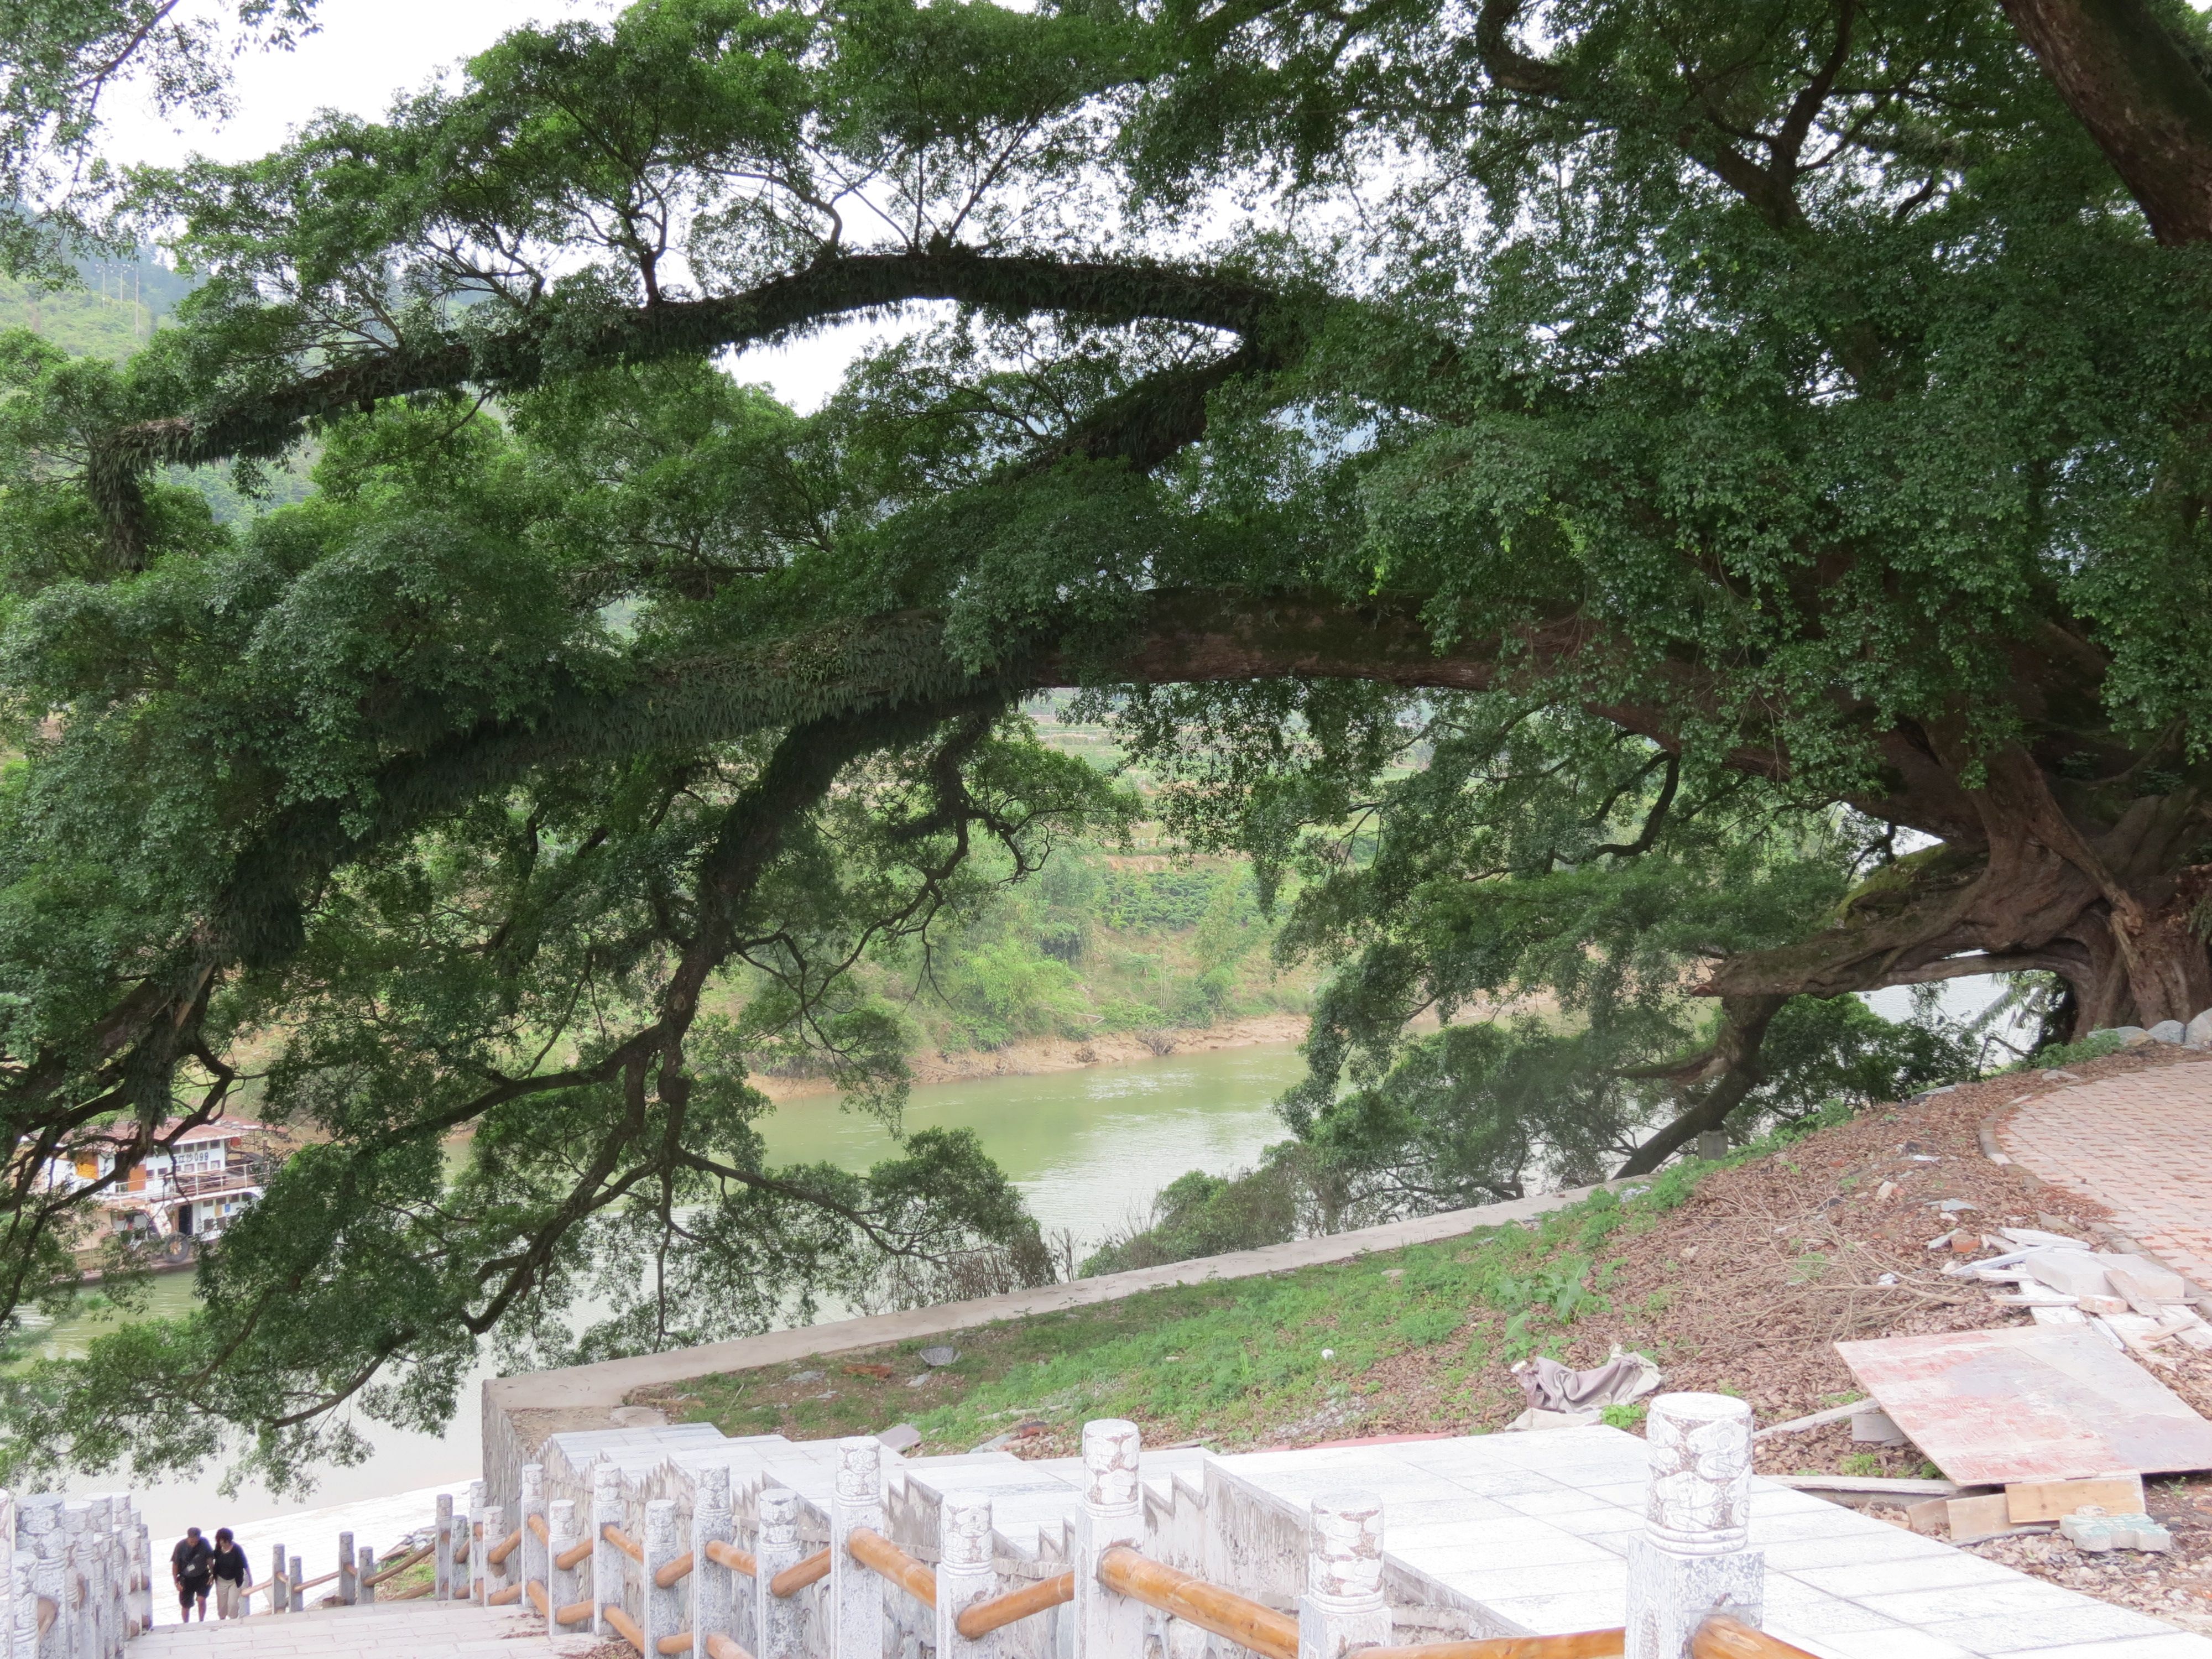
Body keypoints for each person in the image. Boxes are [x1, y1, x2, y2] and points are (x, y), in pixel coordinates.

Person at [170, 1527, 213, 1622]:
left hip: (202, 1576)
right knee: (186, 1605)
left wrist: (213, 1574)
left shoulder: (204, 1543)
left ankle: (201, 1621)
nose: (194, 1544)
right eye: (192, 1542)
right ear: (188, 1538)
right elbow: (175, 1565)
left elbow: (209, 1559)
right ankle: (186, 1624)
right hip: (186, 1578)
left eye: (196, 1542)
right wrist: (176, 1582)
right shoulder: (180, 1546)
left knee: (202, 1600)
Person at [210, 1528, 249, 1619]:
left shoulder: (237, 1550)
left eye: (224, 1542)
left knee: (232, 1604)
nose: (222, 1544)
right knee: (222, 1606)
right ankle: (222, 1620)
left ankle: (233, 1620)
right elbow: (211, 1557)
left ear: (229, 1541)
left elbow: (245, 1564)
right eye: (220, 1541)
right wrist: (211, 1574)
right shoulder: (218, 1548)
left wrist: (250, 1578)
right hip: (221, 1581)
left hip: (235, 1581)